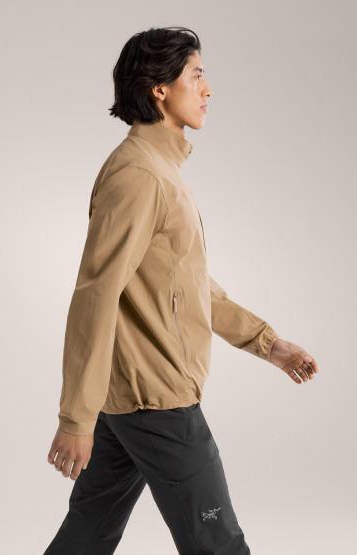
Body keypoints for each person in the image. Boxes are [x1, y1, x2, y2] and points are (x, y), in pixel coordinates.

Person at [43, 26, 319, 555]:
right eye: (196, 75)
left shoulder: (160, 169)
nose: (208, 89)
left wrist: (268, 343)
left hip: (131, 399)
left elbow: (186, 283)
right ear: (160, 90)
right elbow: (96, 295)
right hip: (158, 401)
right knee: (218, 543)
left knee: (86, 537)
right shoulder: (140, 175)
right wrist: (74, 417)